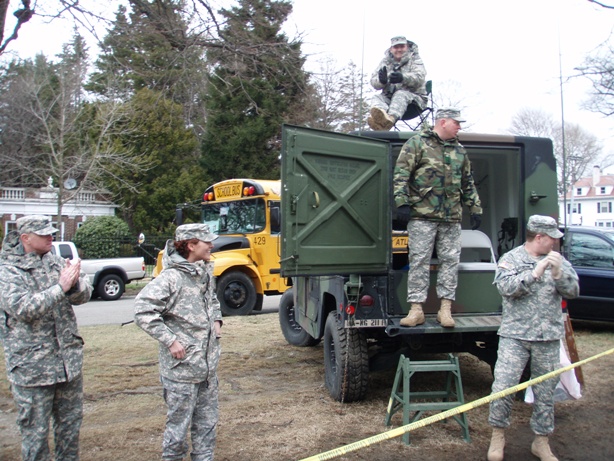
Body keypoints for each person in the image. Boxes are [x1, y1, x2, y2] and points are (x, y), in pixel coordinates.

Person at [486, 215, 579, 461]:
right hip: (514, 336)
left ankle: (541, 441)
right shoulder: (512, 259)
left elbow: (574, 291)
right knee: (503, 388)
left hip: (547, 337)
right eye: (552, 238)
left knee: (546, 392)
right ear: (539, 237)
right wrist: (536, 273)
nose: (555, 243)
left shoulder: (558, 261)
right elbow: (506, 289)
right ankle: (497, 436)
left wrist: (559, 274)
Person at [0, 215, 92, 461]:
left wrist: (75, 285)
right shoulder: (8, 270)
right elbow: (23, 309)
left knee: (70, 429)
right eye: (44, 234)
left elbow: (84, 295)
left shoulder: (55, 261)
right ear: (25, 238)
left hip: (67, 364)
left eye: (51, 232)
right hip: (33, 368)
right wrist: (60, 287)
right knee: (35, 435)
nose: (51, 237)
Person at [134, 223, 222, 461]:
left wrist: (217, 321)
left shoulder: (203, 271)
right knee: (177, 433)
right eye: (207, 242)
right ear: (191, 245)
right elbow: (143, 311)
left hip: (206, 370)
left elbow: (212, 300)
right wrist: (171, 341)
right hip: (181, 372)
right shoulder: (171, 278)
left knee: (206, 429)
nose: (212, 246)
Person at [393, 108, 482, 328]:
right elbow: (401, 175)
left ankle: (445, 310)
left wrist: (475, 207)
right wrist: (401, 203)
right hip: (422, 216)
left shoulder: (460, 150)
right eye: (456, 123)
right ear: (443, 122)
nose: (459, 126)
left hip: (451, 217)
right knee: (419, 262)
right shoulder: (417, 144)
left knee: (450, 262)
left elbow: (468, 182)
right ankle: (416, 310)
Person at [368, 35, 428, 131]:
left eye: (402, 46)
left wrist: (403, 78)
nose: (399, 50)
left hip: (414, 101)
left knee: (400, 94)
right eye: (396, 47)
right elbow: (373, 81)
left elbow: (420, 77)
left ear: (407, 47)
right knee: (377, 97)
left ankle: (390, 120)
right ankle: (379, 118)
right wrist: (381, 81)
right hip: (389, 99)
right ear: (391, 49)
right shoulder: (385, 62)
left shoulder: (415, 59)